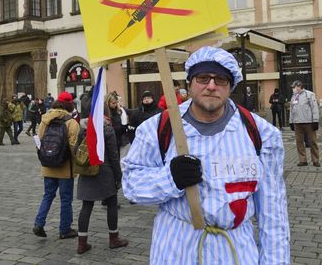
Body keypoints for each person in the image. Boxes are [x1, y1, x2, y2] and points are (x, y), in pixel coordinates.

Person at [122, 46, 290, 264]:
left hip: (235, 251)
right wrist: (169, 179)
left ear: (231, 86)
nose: (211, 86)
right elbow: (131, 186)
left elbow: (273, 212)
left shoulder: (261, 134)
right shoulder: (158, 128)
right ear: (190, 83)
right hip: (176, 249)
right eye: (203, 78)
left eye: (220, 79)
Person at [76, 100, 128, 254]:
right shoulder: (107, 128)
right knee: (112, 204)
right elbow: (113, 155)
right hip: (105, 171)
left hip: (87, 170)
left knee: (87, 206)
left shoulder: (84, 127)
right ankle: (114, 238)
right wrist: (119, 176)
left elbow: (76, 150)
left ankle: (81, 243)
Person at [33, 92, 80, 240]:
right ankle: (65, 229)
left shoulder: (45, 120)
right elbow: (74, 147)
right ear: (70, 105)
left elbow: (38, 142)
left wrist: (47, 156)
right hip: (65, 168)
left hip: (48, 166)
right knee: (66, 199)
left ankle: (39, 224)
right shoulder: (72, 123)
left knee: (48, 195)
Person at [289, 80, 321, 167]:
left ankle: (315, 160)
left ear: (299, 86)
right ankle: (302, 160)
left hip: (309, 122)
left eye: (294, 87)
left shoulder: (309, 94)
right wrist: (291, 121)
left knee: (312, 142)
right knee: (299, 142)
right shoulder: (294, 97)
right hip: (297, 123)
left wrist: (315, 120)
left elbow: (314, 108)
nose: (293, 89)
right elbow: (291, 110)